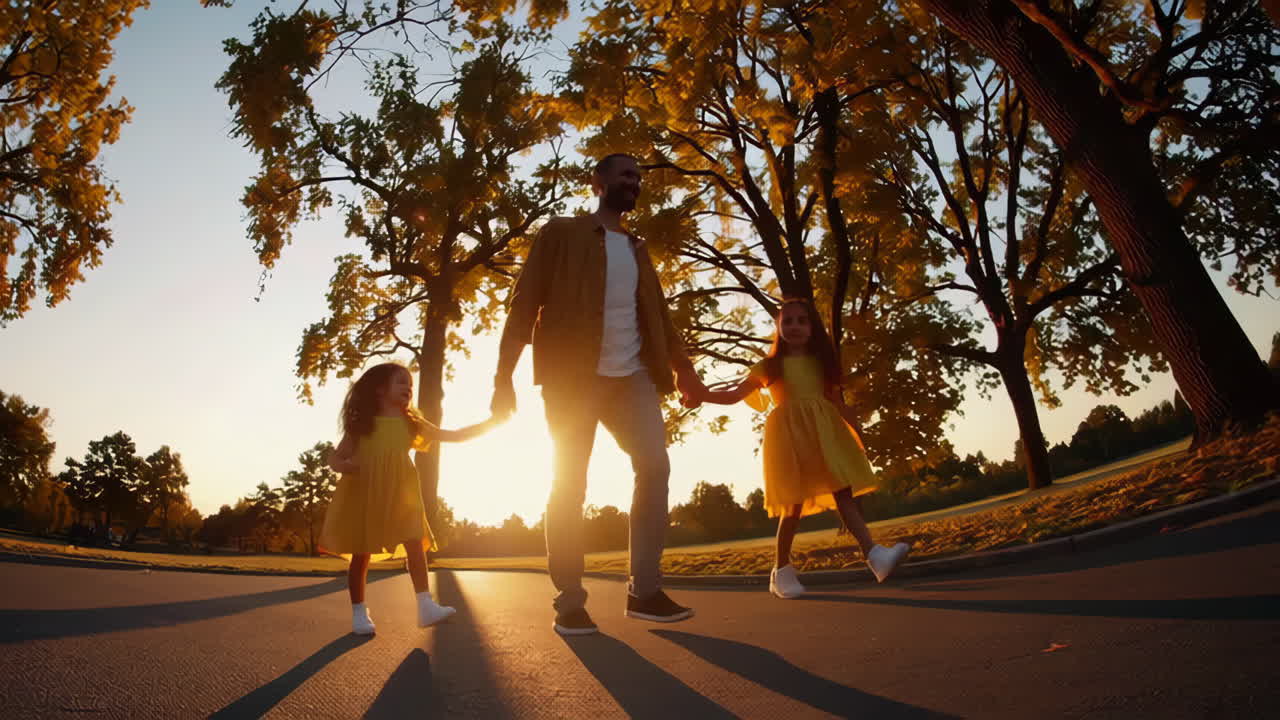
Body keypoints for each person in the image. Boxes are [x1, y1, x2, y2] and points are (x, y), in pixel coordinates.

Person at [490, 153, 708, 636]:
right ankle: (570, 600)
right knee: (570, 483)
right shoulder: (561, 233)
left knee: (655, 465)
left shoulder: (638, 248)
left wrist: (684, 370)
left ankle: (645, 591)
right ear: (599, 182)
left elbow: (659, 318)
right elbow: (524, 304)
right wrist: (502, 378)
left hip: (631, 377)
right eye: (625, 174)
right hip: (572, 377)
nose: (634, 182)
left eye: (639, 177)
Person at [693, 298, 910, 598]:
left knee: (843, 490)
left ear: (812, 328)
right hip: (790, 438)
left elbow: (836, 402)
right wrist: (700, 394)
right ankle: (781, 572)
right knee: (792, 506)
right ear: (778, 328)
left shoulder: (822, 363)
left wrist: (858, 434)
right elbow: (733, 395)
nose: (794, 326)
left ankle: (875, 555)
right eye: (788, 321)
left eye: (801, 321)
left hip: (825, 435)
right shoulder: (769, 366)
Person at [321, 362, 501, 635]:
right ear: (381, 389)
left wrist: (490, 424)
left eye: (410, 384)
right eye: (401, 382)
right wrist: (344, 466)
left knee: (416, 543)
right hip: (367, 493)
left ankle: (425, 605)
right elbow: (335, 457)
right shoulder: (362, 425)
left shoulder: (411, 423)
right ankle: (359, 612)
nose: (408, 388)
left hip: (402, 495)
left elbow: (450, 435)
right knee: (362, 553)